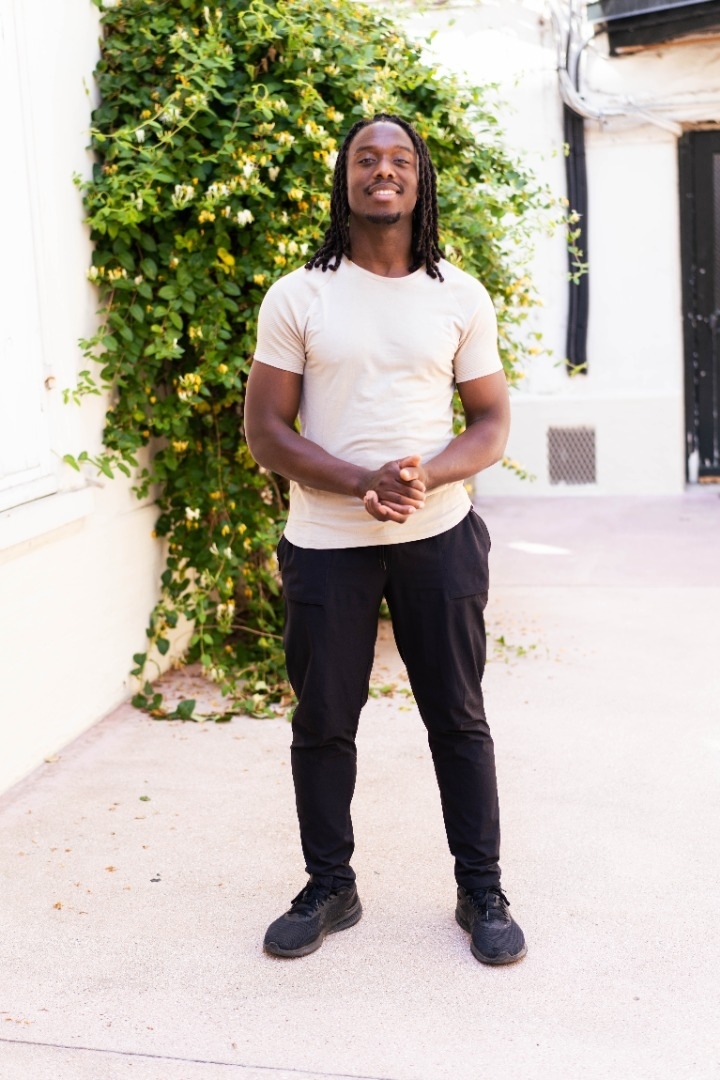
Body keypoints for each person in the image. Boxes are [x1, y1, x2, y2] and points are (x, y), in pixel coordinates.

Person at [244, 113, 526, 965]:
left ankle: (481, 889)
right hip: (325, 541)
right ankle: (330, 886)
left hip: (438, 535)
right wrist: (358, 482)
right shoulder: (300, 295)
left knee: (459, 718)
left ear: (419, 180)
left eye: (400, 158)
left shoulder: (458, 295)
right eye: (366, 157)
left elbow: (490, 421)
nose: (383, 169)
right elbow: (266, 431)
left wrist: (426, 475)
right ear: (345, 177)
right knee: (324, 723)